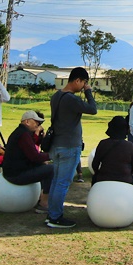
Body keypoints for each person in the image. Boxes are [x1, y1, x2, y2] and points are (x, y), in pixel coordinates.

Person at [45, 66, 97, 228]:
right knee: (63, 183)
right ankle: (55, 217)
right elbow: (93, 109)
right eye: (84, 83)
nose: (83, 86)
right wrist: (89, 92)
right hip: (69, 146)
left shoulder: (57, 96)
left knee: (56, 181)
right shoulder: (72, 99)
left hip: (57, 144)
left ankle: (52, 213)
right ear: (77, 80)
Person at [1, 110, 53, 213]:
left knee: (45, 166)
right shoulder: (23, 135)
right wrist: (51, 156)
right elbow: (34, 156)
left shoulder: (21, 133)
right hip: (16, 175)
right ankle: (43, 203)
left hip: (12, 172)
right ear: (27, 122)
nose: (38, 125)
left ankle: (40, 198)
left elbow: (31, 155)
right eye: (36, 122)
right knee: (51, 169)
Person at [93, 115, 133, 186]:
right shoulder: (129, 146)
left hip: (104, 179)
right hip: (125, 180)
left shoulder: (103, 143)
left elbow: (95, 165)